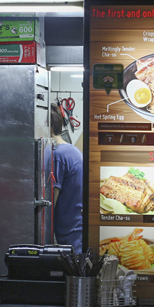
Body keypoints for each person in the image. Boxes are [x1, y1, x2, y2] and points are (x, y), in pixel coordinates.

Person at [47, 103, 83, 253]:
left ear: (48, 128)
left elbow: (51, 202)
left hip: (72, 236)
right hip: (76, 232)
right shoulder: (72, 150)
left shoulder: (58, 155)